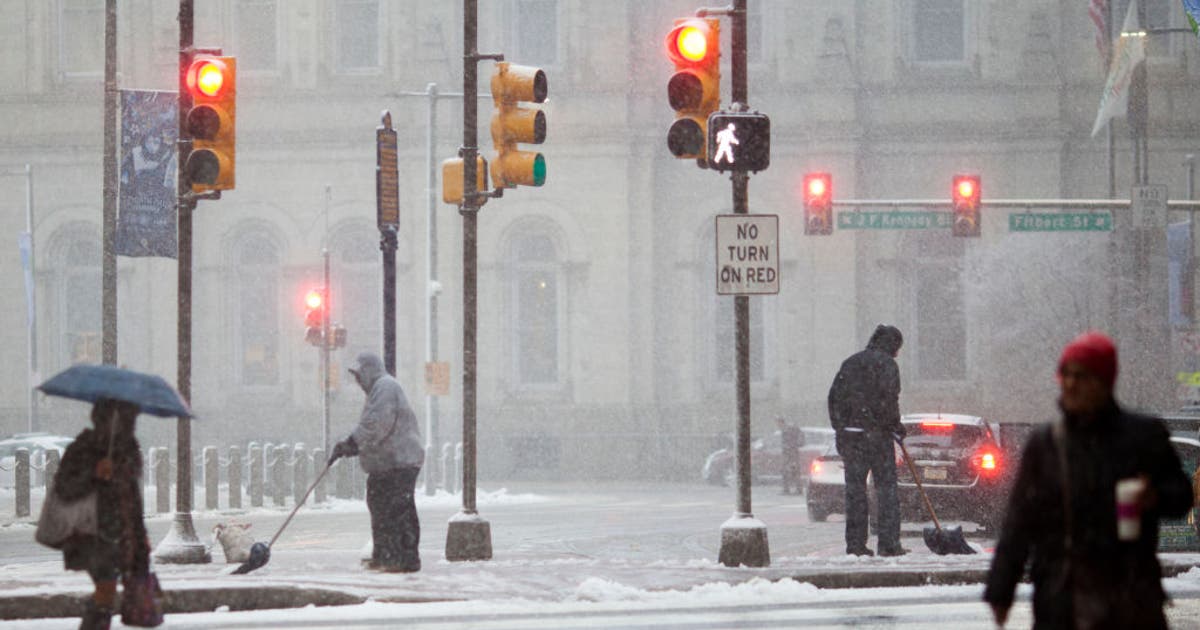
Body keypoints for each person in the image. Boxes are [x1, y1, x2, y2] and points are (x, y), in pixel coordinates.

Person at [984, 331, 1194, 629]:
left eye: (1081, 376)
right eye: (1065, 375)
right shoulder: (1046, 443)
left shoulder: (1143, 436)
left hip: (1130, 594)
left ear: (1104, 382)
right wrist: (1001, 590)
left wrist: (1155, 496)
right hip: (1062, 596)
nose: (1070, 384)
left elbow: (1181, 496)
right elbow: (1019, 519)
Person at [53, 398, 151, 630]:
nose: (129, 424)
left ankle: (97, 623)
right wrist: (94, 474)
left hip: (124, 531)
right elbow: (65, 488)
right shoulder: (84, 447)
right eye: (125, 418)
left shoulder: (129, 448)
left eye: (132, 419)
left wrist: (140, 534)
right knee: (106, 588)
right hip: (91, 532)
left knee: (112, 591)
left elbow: (132, 497)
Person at [329, 352, 424, 572]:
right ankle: (386, 554)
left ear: (369, 371)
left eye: (359, 375)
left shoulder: (385, 387)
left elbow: (376, 424)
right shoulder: (379, 389)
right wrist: (352, 446)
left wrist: (352, 443)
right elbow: (374, 428)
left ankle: (403, 557)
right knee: (380, 505)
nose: (358, 381)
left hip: (399, 462)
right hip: (388, 463)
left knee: (397, 509)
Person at [827, 324, 906, 557]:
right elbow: (889, 401)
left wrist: (841, 429)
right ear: (891, 345)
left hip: (852, 438)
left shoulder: (850, 363)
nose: (897, 353)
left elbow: (834, 399)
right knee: (886, 491)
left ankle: (855, 545)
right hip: (878, 437)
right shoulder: (887, 365)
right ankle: (889, 543)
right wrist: (896, 427)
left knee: (855, 493)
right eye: (897, 347)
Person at [776, 416, 804, 495]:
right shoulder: (787, 429)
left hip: (791, 454)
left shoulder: (787, 429)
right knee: (792, 471)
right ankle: (794, 489)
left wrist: (789, 447)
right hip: (791, 453)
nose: (778, 425)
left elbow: (790, 442)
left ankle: (790, 489)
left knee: (790, 471)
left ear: (781, 422)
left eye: (778, 423)